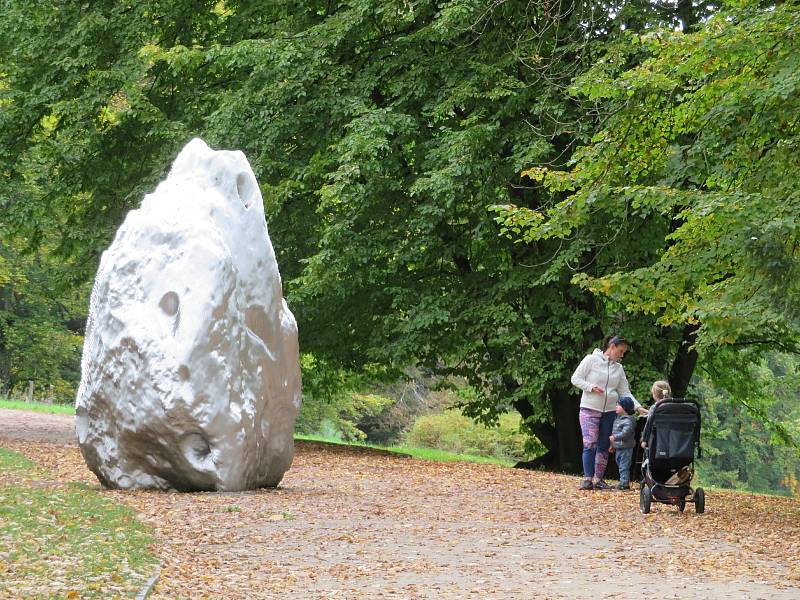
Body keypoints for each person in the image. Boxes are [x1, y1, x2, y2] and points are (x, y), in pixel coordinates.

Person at [571, 334, 648, 491]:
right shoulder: (591, 360)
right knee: (590, 442)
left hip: (609, 411)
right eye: (620, 351)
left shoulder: (619, 369)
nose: (622, 355)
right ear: (611, 346)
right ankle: (587, 479)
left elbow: (625, 392)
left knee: (605, 444)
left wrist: (638, 407)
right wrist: (590, 387)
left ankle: (598, 480)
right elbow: (575, 378)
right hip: (589, 408)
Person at [608, 396, 637, 490]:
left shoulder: (628, 420)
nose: (616, 407)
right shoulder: (618, 419)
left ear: (625, 407)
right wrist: (612, 445)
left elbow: (626, 433)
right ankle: (623, 481)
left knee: (624, 466)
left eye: (618, 405)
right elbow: (614, 433)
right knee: (620, 465)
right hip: (619, 447)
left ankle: (624, 483)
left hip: (626, 448)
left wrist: (615, 437)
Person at [641, 380, 672, 449]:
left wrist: (644, 440)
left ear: (654, 394)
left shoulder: (655, 407)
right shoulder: (674, 407)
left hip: (657, 441)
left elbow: (648, 424)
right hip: (673, 440)